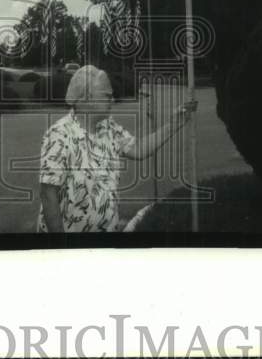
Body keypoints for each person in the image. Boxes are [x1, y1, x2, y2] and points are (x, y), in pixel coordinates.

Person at [37, 64, 196, 233]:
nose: (112, 100)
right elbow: (48, 195)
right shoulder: (59, 135)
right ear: (87, 97)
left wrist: (174, 124)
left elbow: (139, 149)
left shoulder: (109, 127)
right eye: (106, 96)